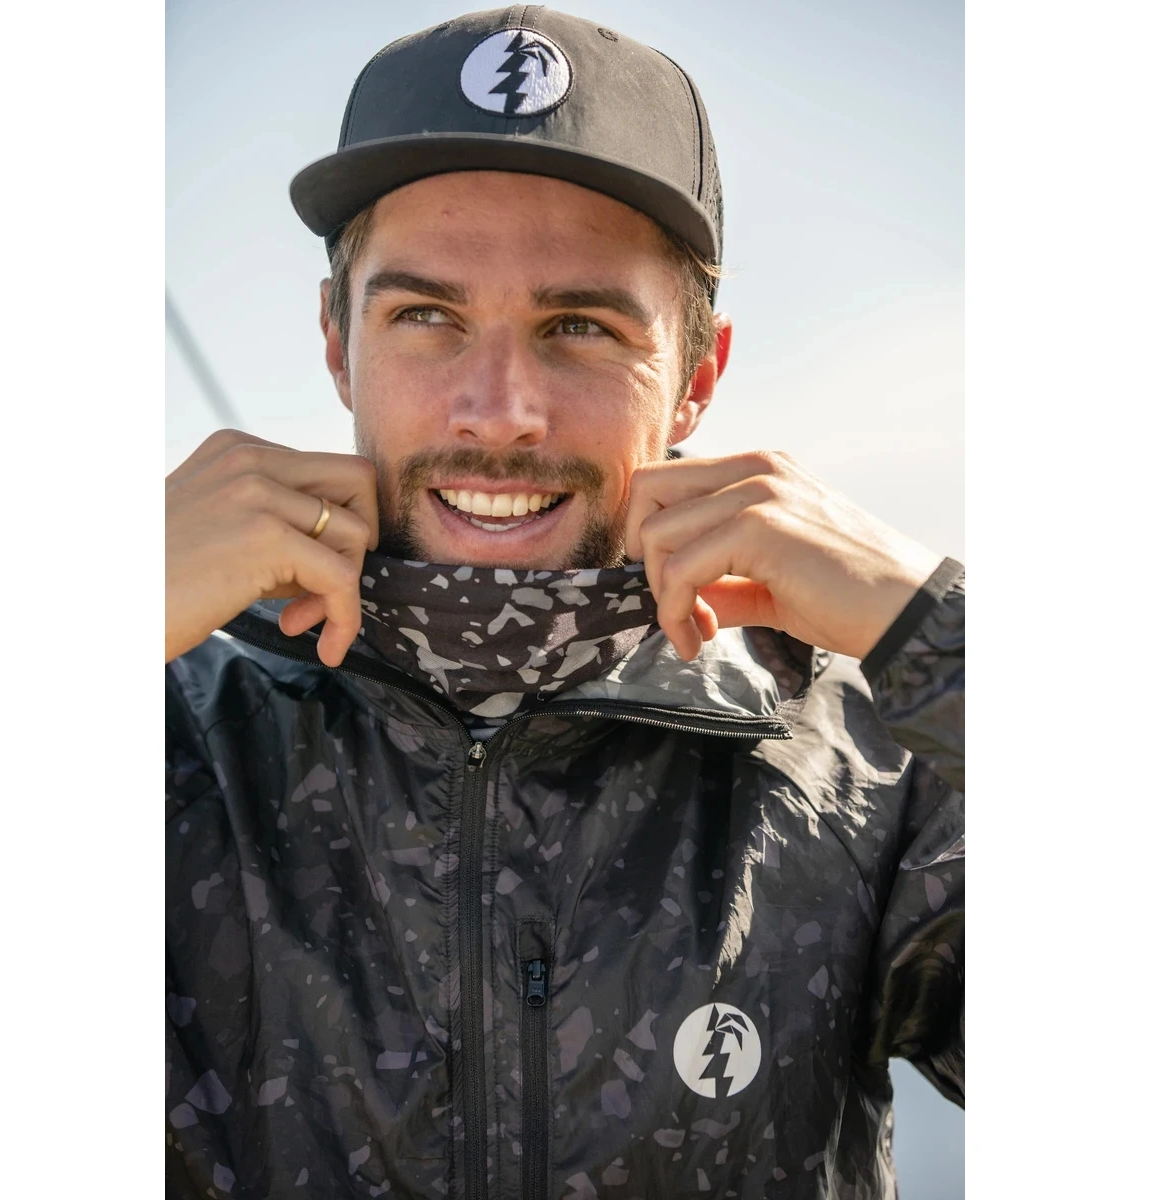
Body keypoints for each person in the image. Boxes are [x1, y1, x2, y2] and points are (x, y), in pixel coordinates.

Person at [165, 8, 963, 1199]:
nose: (501, 413)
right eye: (427, 317)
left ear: (696, 376)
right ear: (337, 343)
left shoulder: (862, 760)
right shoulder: (169, 727)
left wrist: (942, 632)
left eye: (579, 326)